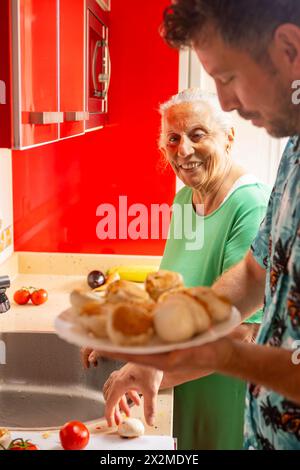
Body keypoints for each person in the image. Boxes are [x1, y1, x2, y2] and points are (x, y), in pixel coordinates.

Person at [96, 0, 300, 451]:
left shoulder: (249, 197)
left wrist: (183, 355)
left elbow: (245, 329)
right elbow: (252, 272)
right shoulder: (295, 155)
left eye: (227, 77)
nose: (225, 100)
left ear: (289, 48)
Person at [84, 88, 270, 450]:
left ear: (228, 136)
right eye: (173, 138)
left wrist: (154, 373)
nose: (183, 150)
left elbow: (241, 333)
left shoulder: (251, 204)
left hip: (228, 396)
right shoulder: (187, 197)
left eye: (197, 134)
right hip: (185, 385)